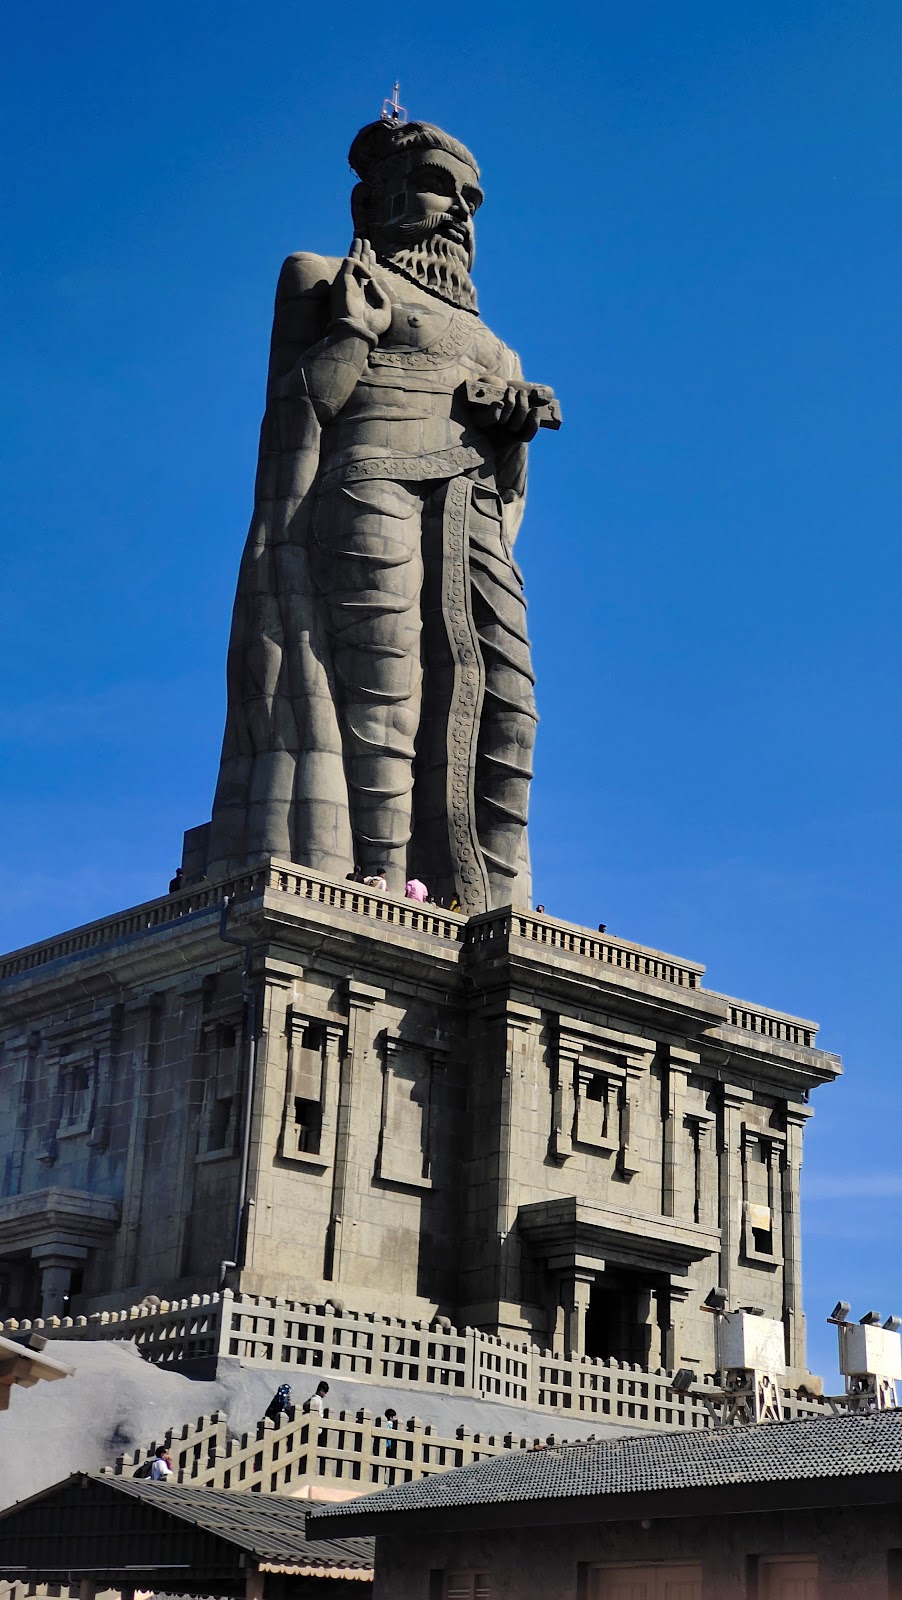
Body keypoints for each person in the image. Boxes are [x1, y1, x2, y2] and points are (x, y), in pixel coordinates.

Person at [207, 115, 559, 915]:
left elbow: (512, 490)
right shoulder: (322, 276)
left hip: (473, 513)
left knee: (507, 704)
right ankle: (380, 879)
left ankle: (491, 894)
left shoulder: (497, 347)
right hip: (366, 487)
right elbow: (293, 415)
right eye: (439, 186)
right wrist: (348, 333)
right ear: (372, 201)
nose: (460, 211)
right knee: (380, 690)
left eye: (472, 199)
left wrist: (513, 431)